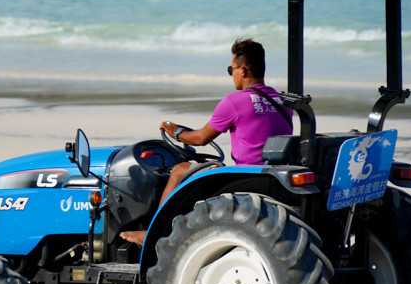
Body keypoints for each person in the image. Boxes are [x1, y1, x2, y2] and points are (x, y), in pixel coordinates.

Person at [120, 38, 293, 245]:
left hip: (246, 175)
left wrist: (175, 132)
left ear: (243, 71)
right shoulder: (282, 101)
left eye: (231, 70)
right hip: (273, 175)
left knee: (179, 170)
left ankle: (154, 233)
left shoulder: (235, 102)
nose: (232, 75)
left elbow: (200, 139)